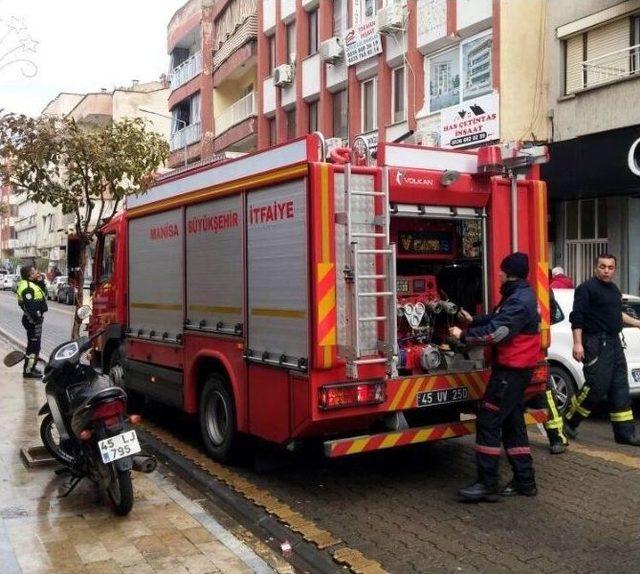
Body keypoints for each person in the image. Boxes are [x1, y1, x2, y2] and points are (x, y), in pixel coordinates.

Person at [450, 252, 540, 501]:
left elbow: (497, 333)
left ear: (509, 273)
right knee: (513, 424)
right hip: (516, 370)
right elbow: (497, 319)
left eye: (501, 271)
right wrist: (474, 320)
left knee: (489, 421)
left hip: (510, 373)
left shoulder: (519, 300)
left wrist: (463, 336)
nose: (498, 274)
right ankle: (525, 480)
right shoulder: (518, 295)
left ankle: (487, 484)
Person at [565, 254, 640, 445]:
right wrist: (577, 343)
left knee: (620, 388)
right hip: (596, 343)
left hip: (615, 343)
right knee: (596, 388)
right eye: (602, 266)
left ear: (614, 269)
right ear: (595, 268)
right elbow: (577, 316)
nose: (606, 270)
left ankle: (625, 434)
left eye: (610, 267)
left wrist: (636, 323)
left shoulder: (614, 290)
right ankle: (569, 421)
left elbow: (617, 314)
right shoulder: (586, 289)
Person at [16, 265, 48, 378]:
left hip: (34, 320)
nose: (37, 273)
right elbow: (30, 307)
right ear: (29, 275)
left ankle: (31, 367)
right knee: (34, 347)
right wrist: (38, 318)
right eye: (34, 271)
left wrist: (41, 282)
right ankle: (28, 371)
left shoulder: (31, 284)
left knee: (35, 346)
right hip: (32, 320)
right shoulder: (27, 287)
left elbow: (41, 293)